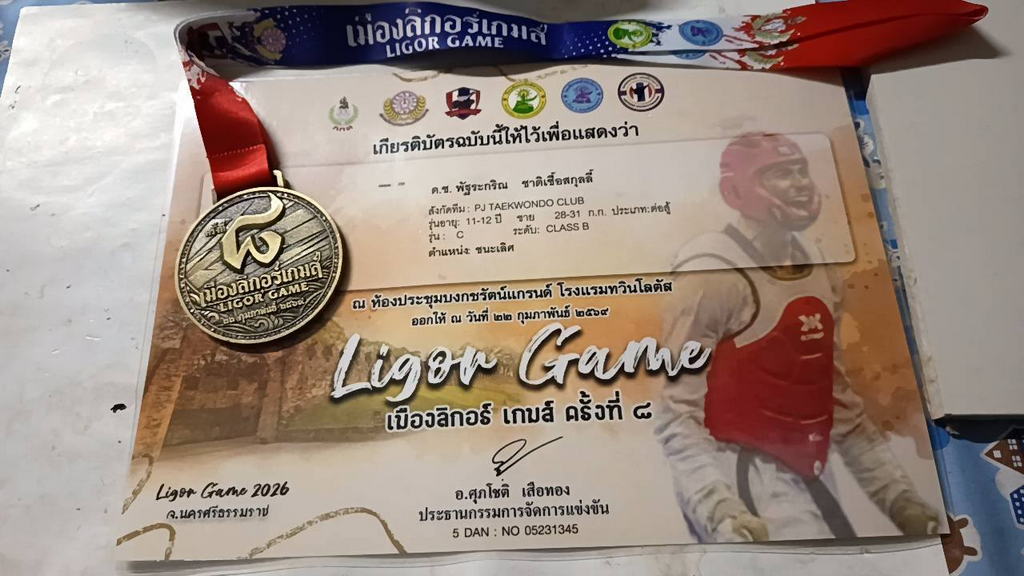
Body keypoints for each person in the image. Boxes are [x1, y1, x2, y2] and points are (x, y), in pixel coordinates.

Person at [654, 133, 940, 542]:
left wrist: (899, 498)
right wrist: (717, 507)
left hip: (809, 468)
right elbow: (676, 413)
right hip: (737, 470)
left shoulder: (820, 267)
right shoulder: (711, 273)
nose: (799, 184)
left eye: (800, 171)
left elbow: (835, 399)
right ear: (735, 191)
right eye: (778, 174)